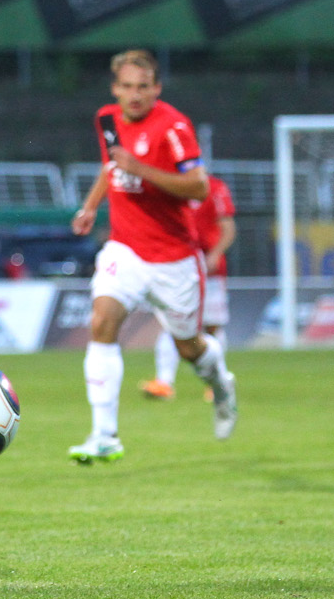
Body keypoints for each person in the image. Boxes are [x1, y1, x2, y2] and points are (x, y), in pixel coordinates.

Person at [68, 49, 237, 464]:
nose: (134, 94)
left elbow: (198, 187)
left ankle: (222, 382)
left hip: (174, 258)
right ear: (115, 90)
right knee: (102, 320)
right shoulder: (106, 118)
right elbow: (111, 166)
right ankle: (104, 435)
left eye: (143, 87)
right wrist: (91, 206)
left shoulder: (174, 126)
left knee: (189, 349)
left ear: (157, 89)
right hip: (125, 248)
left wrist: (140, 168)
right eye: (127, 86)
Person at [141, 172, 236, 402]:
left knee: (211, 327)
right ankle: (164, 382)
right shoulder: (165, 185)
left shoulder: (214, 187)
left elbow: (228, 226)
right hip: (177, 267)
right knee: (170, 322)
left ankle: (215, 383)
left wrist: (215, 254)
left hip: (210, 269)